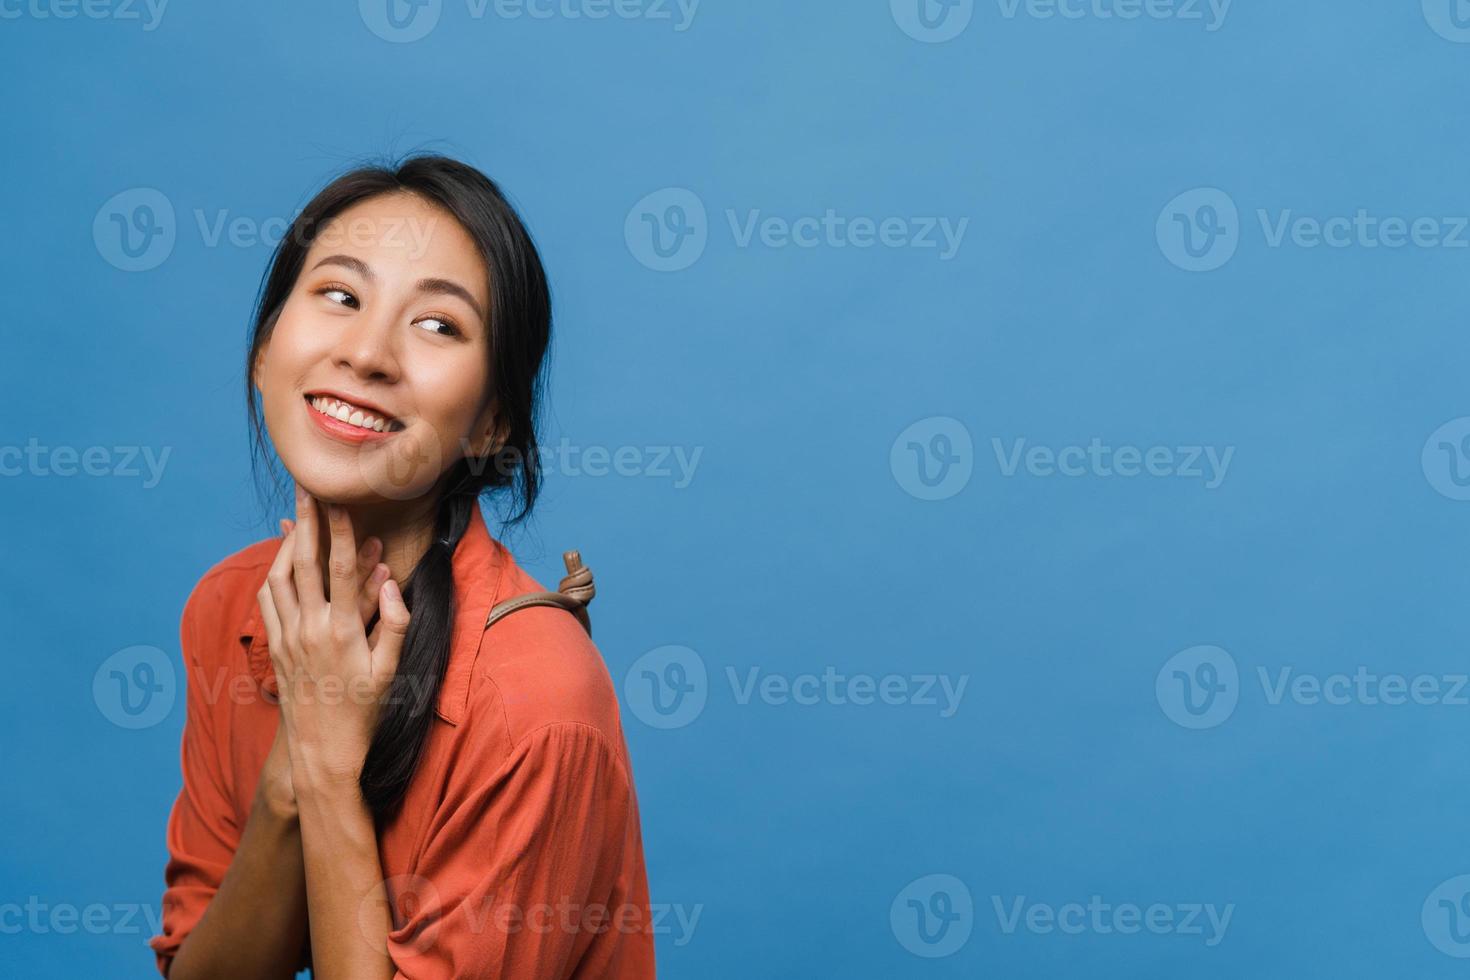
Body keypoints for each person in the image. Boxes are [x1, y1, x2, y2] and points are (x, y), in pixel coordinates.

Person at [147, 155, 655, 978]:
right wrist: (293, 774)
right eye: (340, 297)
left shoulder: (535, 699)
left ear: (492, 423)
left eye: (438, 325)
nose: (368, 352)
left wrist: (327, 768)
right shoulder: (230, 606)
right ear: (263, 350)